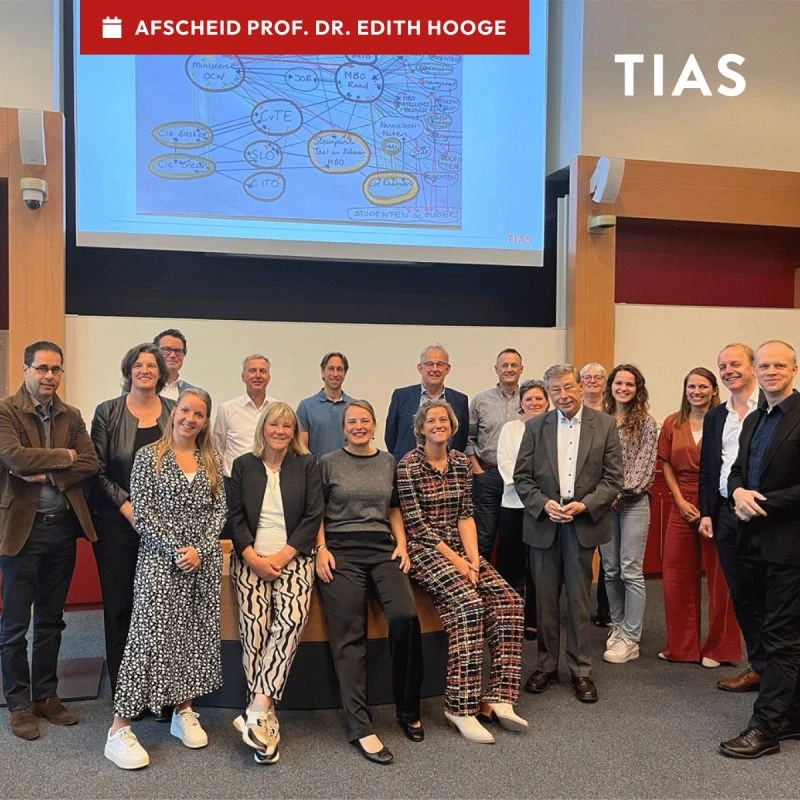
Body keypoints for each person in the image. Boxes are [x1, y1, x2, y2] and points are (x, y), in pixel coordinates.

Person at [103, 388, 226, 769]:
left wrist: (200, 551)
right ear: (174, 413)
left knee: (194, 636)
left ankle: (183, 711)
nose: (191, 418)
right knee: (148, 640)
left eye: (200, 414)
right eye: (186, 410)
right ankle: (118, 729)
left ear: (206, 421)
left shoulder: (211, 458)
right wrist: (178, 551)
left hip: (200, 565)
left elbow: (219, 511)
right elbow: (144, 513)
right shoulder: (148, 456)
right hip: (161, 562)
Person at [397, 400, 526, 745]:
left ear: (453, 427)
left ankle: (499, 696)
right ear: (421, 428)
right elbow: (418, 528)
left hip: (461, 549)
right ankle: (460, 706)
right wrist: (458, 563)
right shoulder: (408, 466)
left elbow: (466, 515)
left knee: (509, 601)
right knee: (468, 605)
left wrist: (473, 559)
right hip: (425, 551)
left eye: (444, 420)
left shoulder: (459, 463)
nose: (438, 424)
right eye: (431, 420)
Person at [0, 341, 99, 740]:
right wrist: (64, 456)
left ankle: (46, 695)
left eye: (56, 369)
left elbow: (90, 462)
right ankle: (19, 704)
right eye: (41, 368)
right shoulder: (6, 410)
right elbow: (14, 457)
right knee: (13, 625)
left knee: (52, 621)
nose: (49, 376)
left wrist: (48, 473)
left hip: (61, 528)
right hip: (22, 530)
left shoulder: (71, 414)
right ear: (25, 369)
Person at [316, 400, 423, 765]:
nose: (358, 426)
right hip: (341, 551)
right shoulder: (327, 462)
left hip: (382, 549)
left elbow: (393, 508)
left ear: (374, 425)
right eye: (352, 421)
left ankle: (408, 710)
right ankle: (360, 726)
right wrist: (320, 549)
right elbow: (317, 511)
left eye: (364, 420)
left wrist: (403, 546)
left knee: (405, 618)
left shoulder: (388, 461)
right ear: (343, 428)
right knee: (350, 632)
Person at [514, 364, 622, 704]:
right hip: (545, 523)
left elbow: (612, 478)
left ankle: (580, 670)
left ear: (580, 386)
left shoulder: (604, 425)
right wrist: (544, 504)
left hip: (582, 523)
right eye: (555, 390)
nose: (562, 395)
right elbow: (522, 478)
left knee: (578, 600)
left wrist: (585, 506)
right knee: (545, 601)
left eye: (567, 387)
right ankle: (546, 665)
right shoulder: (534, 427)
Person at [227, 401, 323, 765]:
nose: (281, 431)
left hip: (294, 558)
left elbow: (313, 516)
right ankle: (263, 720)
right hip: (251, 558)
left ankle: (257, 706)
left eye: (287, 426)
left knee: (290, 621)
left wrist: (282, 557)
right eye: (274, 425)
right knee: (254, 629)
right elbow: (234, 517)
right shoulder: (243, 465)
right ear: (262, 428)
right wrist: (252, 557)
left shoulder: (307, 465)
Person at [719, 340, 800, 759]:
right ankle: (792, 713)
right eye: (765, 365)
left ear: (794, 369)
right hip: (748, 540)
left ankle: (765, 727)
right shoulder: (754, 418)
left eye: (778, 365)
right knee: (758, 626)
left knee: (782, 635)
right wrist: (737, 492)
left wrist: (760, 503)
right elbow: (735, 471)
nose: (770, 371)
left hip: (787, 544)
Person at [91, 344, 174, 698]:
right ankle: (125, 690)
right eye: (138, 365)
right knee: (121, 605)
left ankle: (160, 687)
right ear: (128, 371)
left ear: (161, 372)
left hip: (166, 526)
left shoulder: (174, 411)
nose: (145, 370)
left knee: (161, 607)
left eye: (151, 365)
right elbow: (95, 469)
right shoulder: (108, 412)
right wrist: (128, 507)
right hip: (116, 524)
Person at [657, 367, 741, 668]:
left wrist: (710, 507)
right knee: (677, 576)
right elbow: (665, 463)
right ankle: (681, 647)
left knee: (721, 578)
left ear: (713, 389)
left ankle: (719, 649)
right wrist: (679, 500)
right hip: (682, 505)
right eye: (691, 386)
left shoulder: (725, 420)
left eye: (703, 386)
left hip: (717, 505)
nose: (696, 391)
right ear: (685, 389)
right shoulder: (672, 423)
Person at [699, 343, 762, 693]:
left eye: (735, 364)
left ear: (752, 366)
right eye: (722, 366)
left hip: (766, 515)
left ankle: (781, 672)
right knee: (741, 594)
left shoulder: (771, 410)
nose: (728, 371)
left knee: (772, 595)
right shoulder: (716, 416)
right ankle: (759, 667)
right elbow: (710, 467)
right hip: (725, 514)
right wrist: (707, 512)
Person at [599, 364, 658, 664]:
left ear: (638, 389)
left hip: (632, 503)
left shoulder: (647, 423)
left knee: (630, 570)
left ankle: (632, 638)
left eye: (629, 384)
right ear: (610, 386)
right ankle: (618, 625)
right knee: (610, 570)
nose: (623, 388)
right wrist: (601, 496)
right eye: (618, 383)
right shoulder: (600, 419)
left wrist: (615, 494)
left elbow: (643, 468)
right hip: (604, 506)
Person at [496, 378, 549, 639]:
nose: (534, 403)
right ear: (521, 403)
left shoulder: (554, 429)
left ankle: (533, 619)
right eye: (528, 399)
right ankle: (508, 617)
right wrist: (528, 489)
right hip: (513, 504)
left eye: (539, 398)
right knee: (510, 565)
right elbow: (505, 462)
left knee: (538, 568)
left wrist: (538, 496)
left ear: (547, 401)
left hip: (543, 508)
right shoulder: (510, 429)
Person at [466, 348, 524, 559]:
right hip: (488, 476)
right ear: (496, 369)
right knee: (484, 536)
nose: (509, 369)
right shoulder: (481, 400)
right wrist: (477, 470)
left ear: (521, 369)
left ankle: (514, 587)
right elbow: (468, 438)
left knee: (514, 536)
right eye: (504, 365)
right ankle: (480, 585)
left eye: (514, 365)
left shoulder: (530, 399)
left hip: (521, 480)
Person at [385, 344, 469, 461]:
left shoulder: (460, 400)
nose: (434, 369)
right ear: (420, 368)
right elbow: (390, 436)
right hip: (407, 469)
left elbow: (461, 440)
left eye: (440, 364)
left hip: (447, 471)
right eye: (429, 364)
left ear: (447, 369)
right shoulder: (401, 396)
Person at [580, 362, 612, 628]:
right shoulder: (571, 409)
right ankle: (576, 609)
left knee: (608, 555)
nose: (592, 381)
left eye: (597, 377)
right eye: (586, 377)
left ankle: (605, 610)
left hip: (608, 493)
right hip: (578, 493)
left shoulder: (614, 410)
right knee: (580, 554)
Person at [213, 354, 276, 486]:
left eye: (262, 371)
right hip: (234, 483)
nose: (257, 375)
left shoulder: (277, 409)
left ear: (268, 378)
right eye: (252, 370)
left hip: (269, 482)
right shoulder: (226, 409)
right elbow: (218, 449)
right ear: (243, 377)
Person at [296, 352, 353, 457]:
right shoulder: (306, 407)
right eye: (331, 368)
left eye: (339, 369)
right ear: (322, 372)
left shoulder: (354, 407)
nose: (335, 374)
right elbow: (302, 449)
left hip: (349, 471)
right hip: (317, 471)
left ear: (345, 373)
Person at [154, 328, 195, 401]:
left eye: (178, 351)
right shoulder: (141, 389)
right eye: (167, 350)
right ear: (155, 353)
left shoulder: (194, 394)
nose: (173, 355)